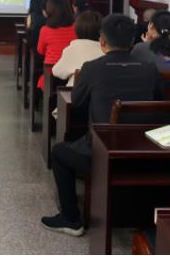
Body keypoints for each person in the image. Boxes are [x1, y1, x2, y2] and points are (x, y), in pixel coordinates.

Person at [41, 14, 160, 236]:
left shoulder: (92, 68)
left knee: (59, 152)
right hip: (142, 152)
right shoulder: (149, 68)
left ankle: (71, 218)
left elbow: (76, 102)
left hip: (102, 154)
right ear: (132, 41)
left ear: (102, 41)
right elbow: (158, 102)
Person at [52, 10, 103, 86]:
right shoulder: (107, 50)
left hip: (74, 91)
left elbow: (56, 71)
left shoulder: (72, 48)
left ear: (77, 29)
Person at [37, 0, 77, 90]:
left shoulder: (45, 30)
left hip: (51, 72)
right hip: (71, 72)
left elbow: (40, 51)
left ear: (49, 11)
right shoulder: (76, 28)